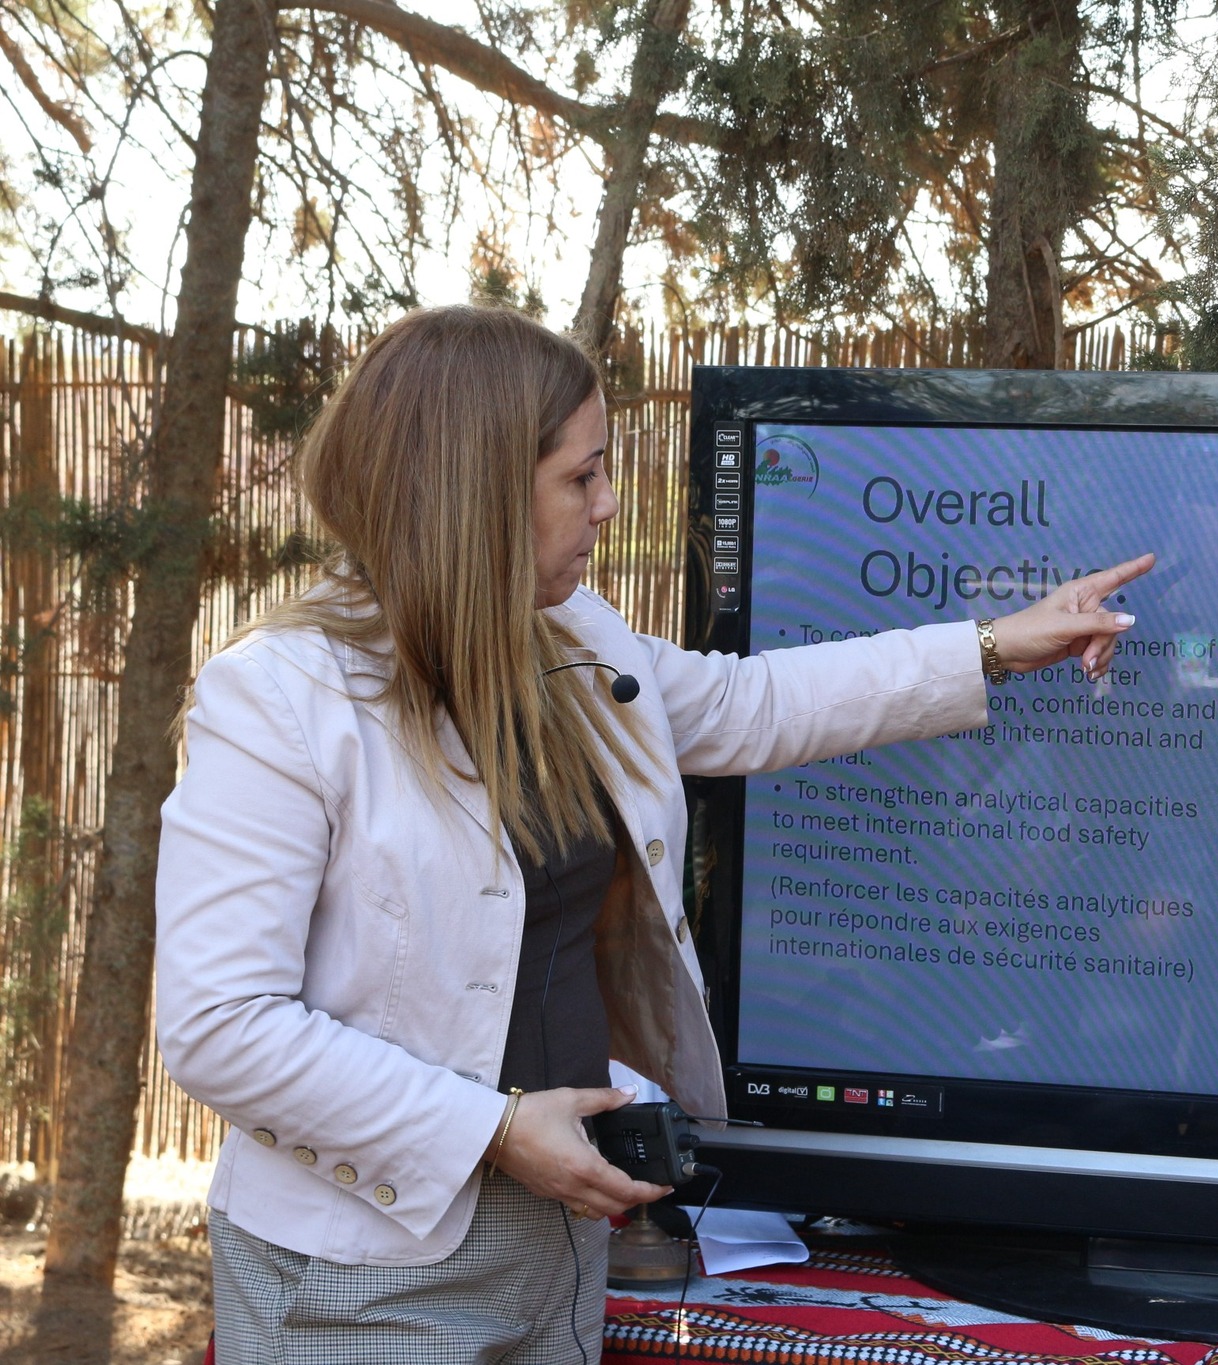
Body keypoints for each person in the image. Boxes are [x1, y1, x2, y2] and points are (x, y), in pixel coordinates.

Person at [153, 304, 1154, 1363]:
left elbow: (753, 704)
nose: (607, 504)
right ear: (477, 495)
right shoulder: (277, 699)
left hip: (562, 1222)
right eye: (580, 478)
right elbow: (222, 1025)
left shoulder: (568, 638)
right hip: (364, 1266)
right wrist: (488, 1129)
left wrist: (997, 645)